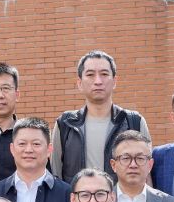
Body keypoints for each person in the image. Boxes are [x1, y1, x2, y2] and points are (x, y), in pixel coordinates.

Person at [53, 50, 149, 181]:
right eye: (90, 75)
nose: (98, 81)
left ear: (114, 81)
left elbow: (146, 175)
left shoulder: (134, 122)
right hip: (77, 195)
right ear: (79, 83)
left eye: (104, 74)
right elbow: (56, 176)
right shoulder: (65, 124)